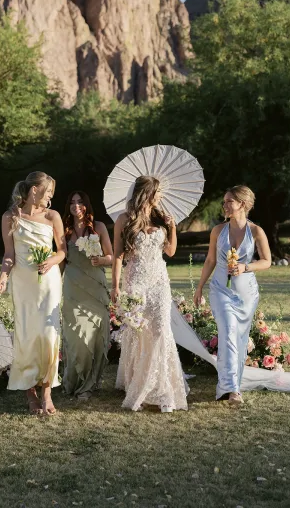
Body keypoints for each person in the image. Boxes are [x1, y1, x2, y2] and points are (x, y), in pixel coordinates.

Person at [112, 175, 188, 413]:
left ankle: (161, 387)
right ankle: (138, 383)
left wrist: (173, 227)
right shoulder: (124, 220)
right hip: (135, 281)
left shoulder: (161, 218)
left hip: (159, 283)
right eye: (158, 192)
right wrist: (115, 286)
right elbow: (117, 255)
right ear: (147, 193)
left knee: (160, 330)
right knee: (140, 333)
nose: (161, 196)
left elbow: (171, 251)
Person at [0, 171, 66, 416]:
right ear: (34, 190)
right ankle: (30, 393)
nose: (50, 198)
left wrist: (51, 262)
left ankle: (47, 391)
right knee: (26, 334)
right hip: (23, 283)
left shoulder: (52, 216)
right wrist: (3, 275)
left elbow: (62, 251)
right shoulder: (10, 217)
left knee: (48, 333)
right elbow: (8, 255)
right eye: (48, 192)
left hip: (48, 282)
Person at [194, 185, 271, 405]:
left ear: (242, 204)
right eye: (224, 201)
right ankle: (230, 390)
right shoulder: (218, 231)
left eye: (229, 201)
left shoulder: (256, 231)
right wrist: (200, 287)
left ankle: (233, 383)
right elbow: (210, 260)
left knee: (239, 338)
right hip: (220, 290)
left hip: (246, 293)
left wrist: (245, 267)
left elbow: (267, 261)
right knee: (227, 332)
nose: (225, 205)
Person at [62, 191, 113, 400]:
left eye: (80, 202)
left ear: (86, 205)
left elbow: (111, 256)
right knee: (76, 338)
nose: (77, 206)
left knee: (95, 338)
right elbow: (61, 261)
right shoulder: (64, 230)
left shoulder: (98, 227)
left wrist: (100, 260)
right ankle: (75, 381)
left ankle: (89, 385)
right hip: (73, 287)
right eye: (73, 202)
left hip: (95, 288)